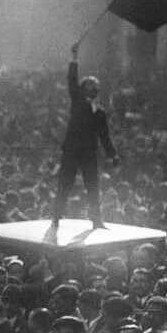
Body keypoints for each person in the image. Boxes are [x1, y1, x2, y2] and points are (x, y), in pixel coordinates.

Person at [52, 42, 119, 229]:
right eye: (88, 86)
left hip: (89, 152)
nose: (91, 89)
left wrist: (113, 154)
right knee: (65, 183)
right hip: (72, 150)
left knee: (93, 186)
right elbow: (71, 80)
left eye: (93, 87)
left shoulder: (100, 111)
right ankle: (56, 216)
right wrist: (74, 59)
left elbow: (105, 136)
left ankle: (96, 220)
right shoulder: (77, 101)